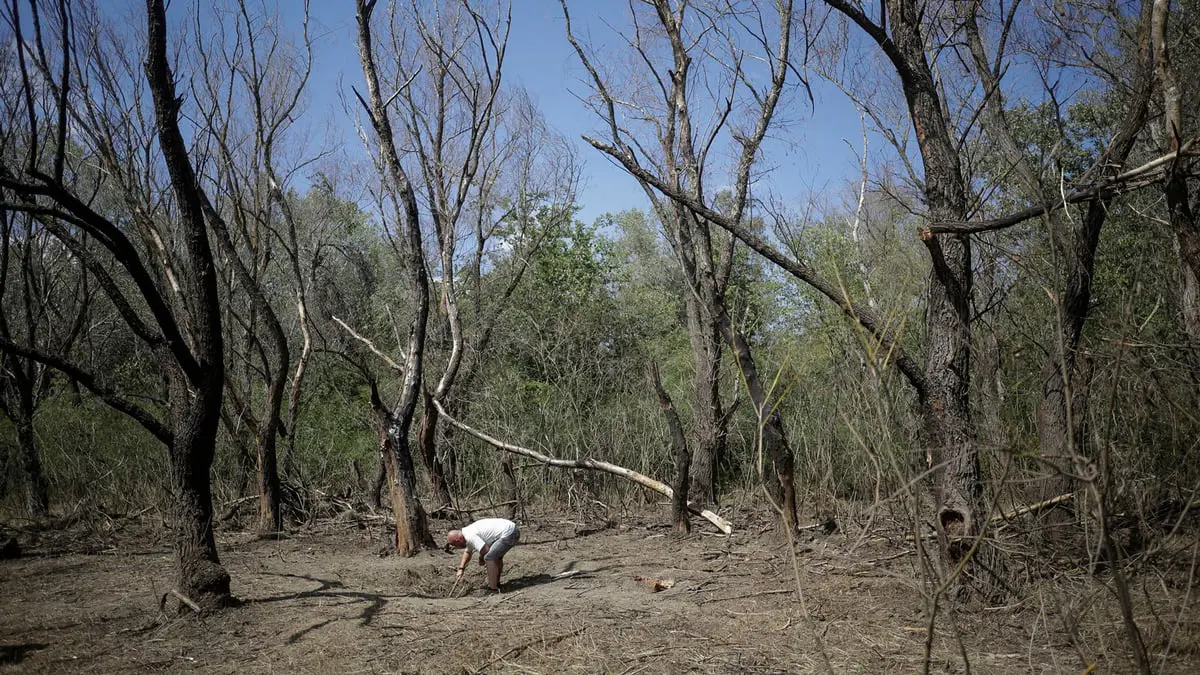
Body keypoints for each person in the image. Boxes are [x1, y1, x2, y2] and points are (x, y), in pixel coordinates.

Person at [446, 517, 520, 592]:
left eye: (455, 545)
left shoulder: (469, 536)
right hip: (510, 530)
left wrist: (481, 558)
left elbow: (485, 550)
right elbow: (468, 552)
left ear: (458, 540)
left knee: (489, 558)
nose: (456, 547)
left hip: (510, 533)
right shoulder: (466, 533)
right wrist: (461, 569)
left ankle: (493, 588)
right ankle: (497, 584)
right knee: (496, 557)